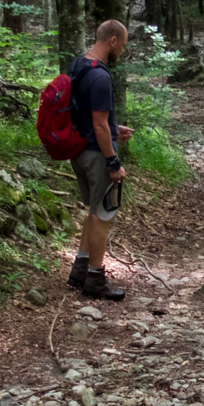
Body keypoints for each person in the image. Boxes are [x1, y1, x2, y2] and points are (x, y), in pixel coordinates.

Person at [65, 20, 133, 301]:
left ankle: (79, 270)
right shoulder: (102, 77)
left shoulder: (78, 65)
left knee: (93, 212)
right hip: (96, 155)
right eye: (124, 45)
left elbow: (86, 113)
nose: (123, 51)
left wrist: (115, 129)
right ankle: (95, 277)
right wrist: (113, 162)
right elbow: (99, 124)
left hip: (78, 151)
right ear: (113, 40)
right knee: (103, 215)